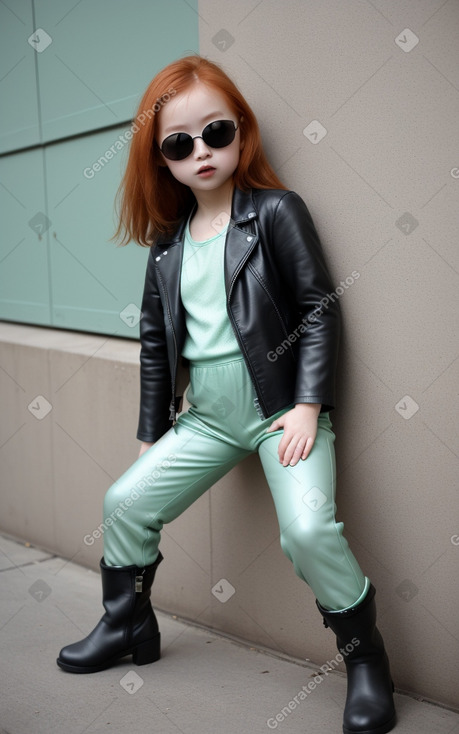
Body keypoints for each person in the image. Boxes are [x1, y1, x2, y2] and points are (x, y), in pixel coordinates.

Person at [56, 55, 396, 734]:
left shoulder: (275, 212)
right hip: (206, 423)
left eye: (216, 132)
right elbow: (156, 345)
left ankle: (365, 661)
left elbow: (319, 308)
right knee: (123, 502)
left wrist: (305, 406)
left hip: (278, 415)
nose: (201, 152)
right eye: (179, 144)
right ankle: (128, 624)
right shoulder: (166, 245)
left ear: (241, 130)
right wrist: (153, 431)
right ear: (162, 159)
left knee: (306, 529)